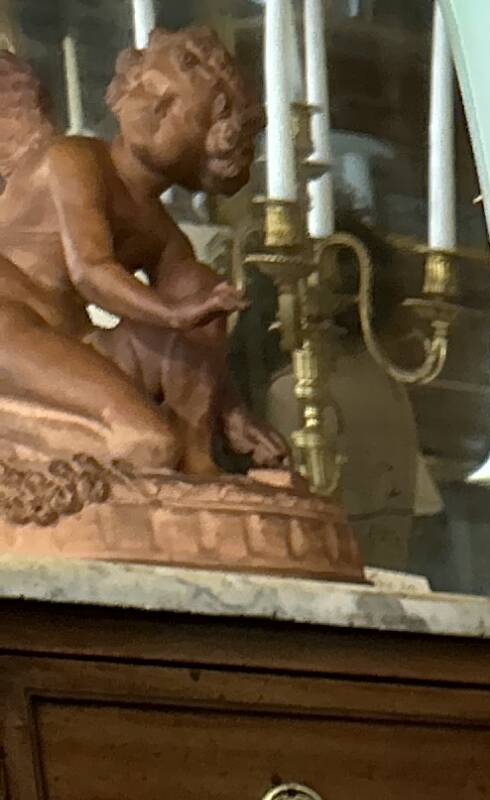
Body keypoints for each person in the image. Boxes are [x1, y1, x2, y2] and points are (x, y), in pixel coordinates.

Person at [0, 35, 288, 484]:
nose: (153, 106)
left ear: (211, 149)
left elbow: (198, 326)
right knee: (147, 445)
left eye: (176, 108)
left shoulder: (163, 234)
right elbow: (92, 271)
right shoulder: (72, 158)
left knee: (198, 284)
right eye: (150, 88)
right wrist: (174, 314)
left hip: (74, 341)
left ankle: (199, 460)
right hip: (9, 327)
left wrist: (233, 414)